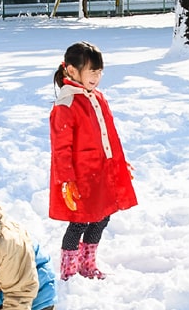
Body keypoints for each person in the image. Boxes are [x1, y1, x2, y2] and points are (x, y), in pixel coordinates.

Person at [49, 41, 139, 281]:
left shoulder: (97, 97)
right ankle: (69, 270)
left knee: (102, 216)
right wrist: (66, 180)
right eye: (92, 71)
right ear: (71, 70)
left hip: (102, 171)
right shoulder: (66, 104)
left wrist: (119, 163)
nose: (97, 77)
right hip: (81, 175)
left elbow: (110, 135)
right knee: (79, 221)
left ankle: (87, 263)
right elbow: (61, 149)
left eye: (99, 72)